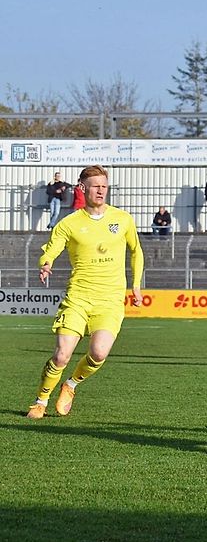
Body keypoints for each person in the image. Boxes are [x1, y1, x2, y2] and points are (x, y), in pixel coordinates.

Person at [26, 165, 144, 419]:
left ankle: (70, 386)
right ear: (83, 188)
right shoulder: (69, 223)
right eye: (96, 186)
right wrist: (45, 263)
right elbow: (52, 248)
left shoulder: (123, 219)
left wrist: (135, 285)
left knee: (99, 353)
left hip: (110, 300)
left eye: (104, 185)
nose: (101, 190)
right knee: (61, 355)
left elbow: (136, 251)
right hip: (78, 297)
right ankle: (40, 401)